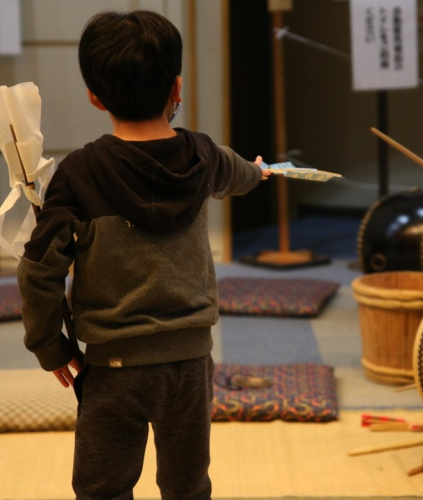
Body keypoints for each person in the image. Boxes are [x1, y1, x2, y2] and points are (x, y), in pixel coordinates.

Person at [17, 10, 271, 500]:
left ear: (95, 96)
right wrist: (259, 173)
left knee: (102, 488)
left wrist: (49, 344)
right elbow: (240, 172)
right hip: (192, 362)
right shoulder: (203, 156)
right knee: (188, 485)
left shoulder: (80, 173)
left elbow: (38, 269)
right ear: (177, 88)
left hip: (115, 369)